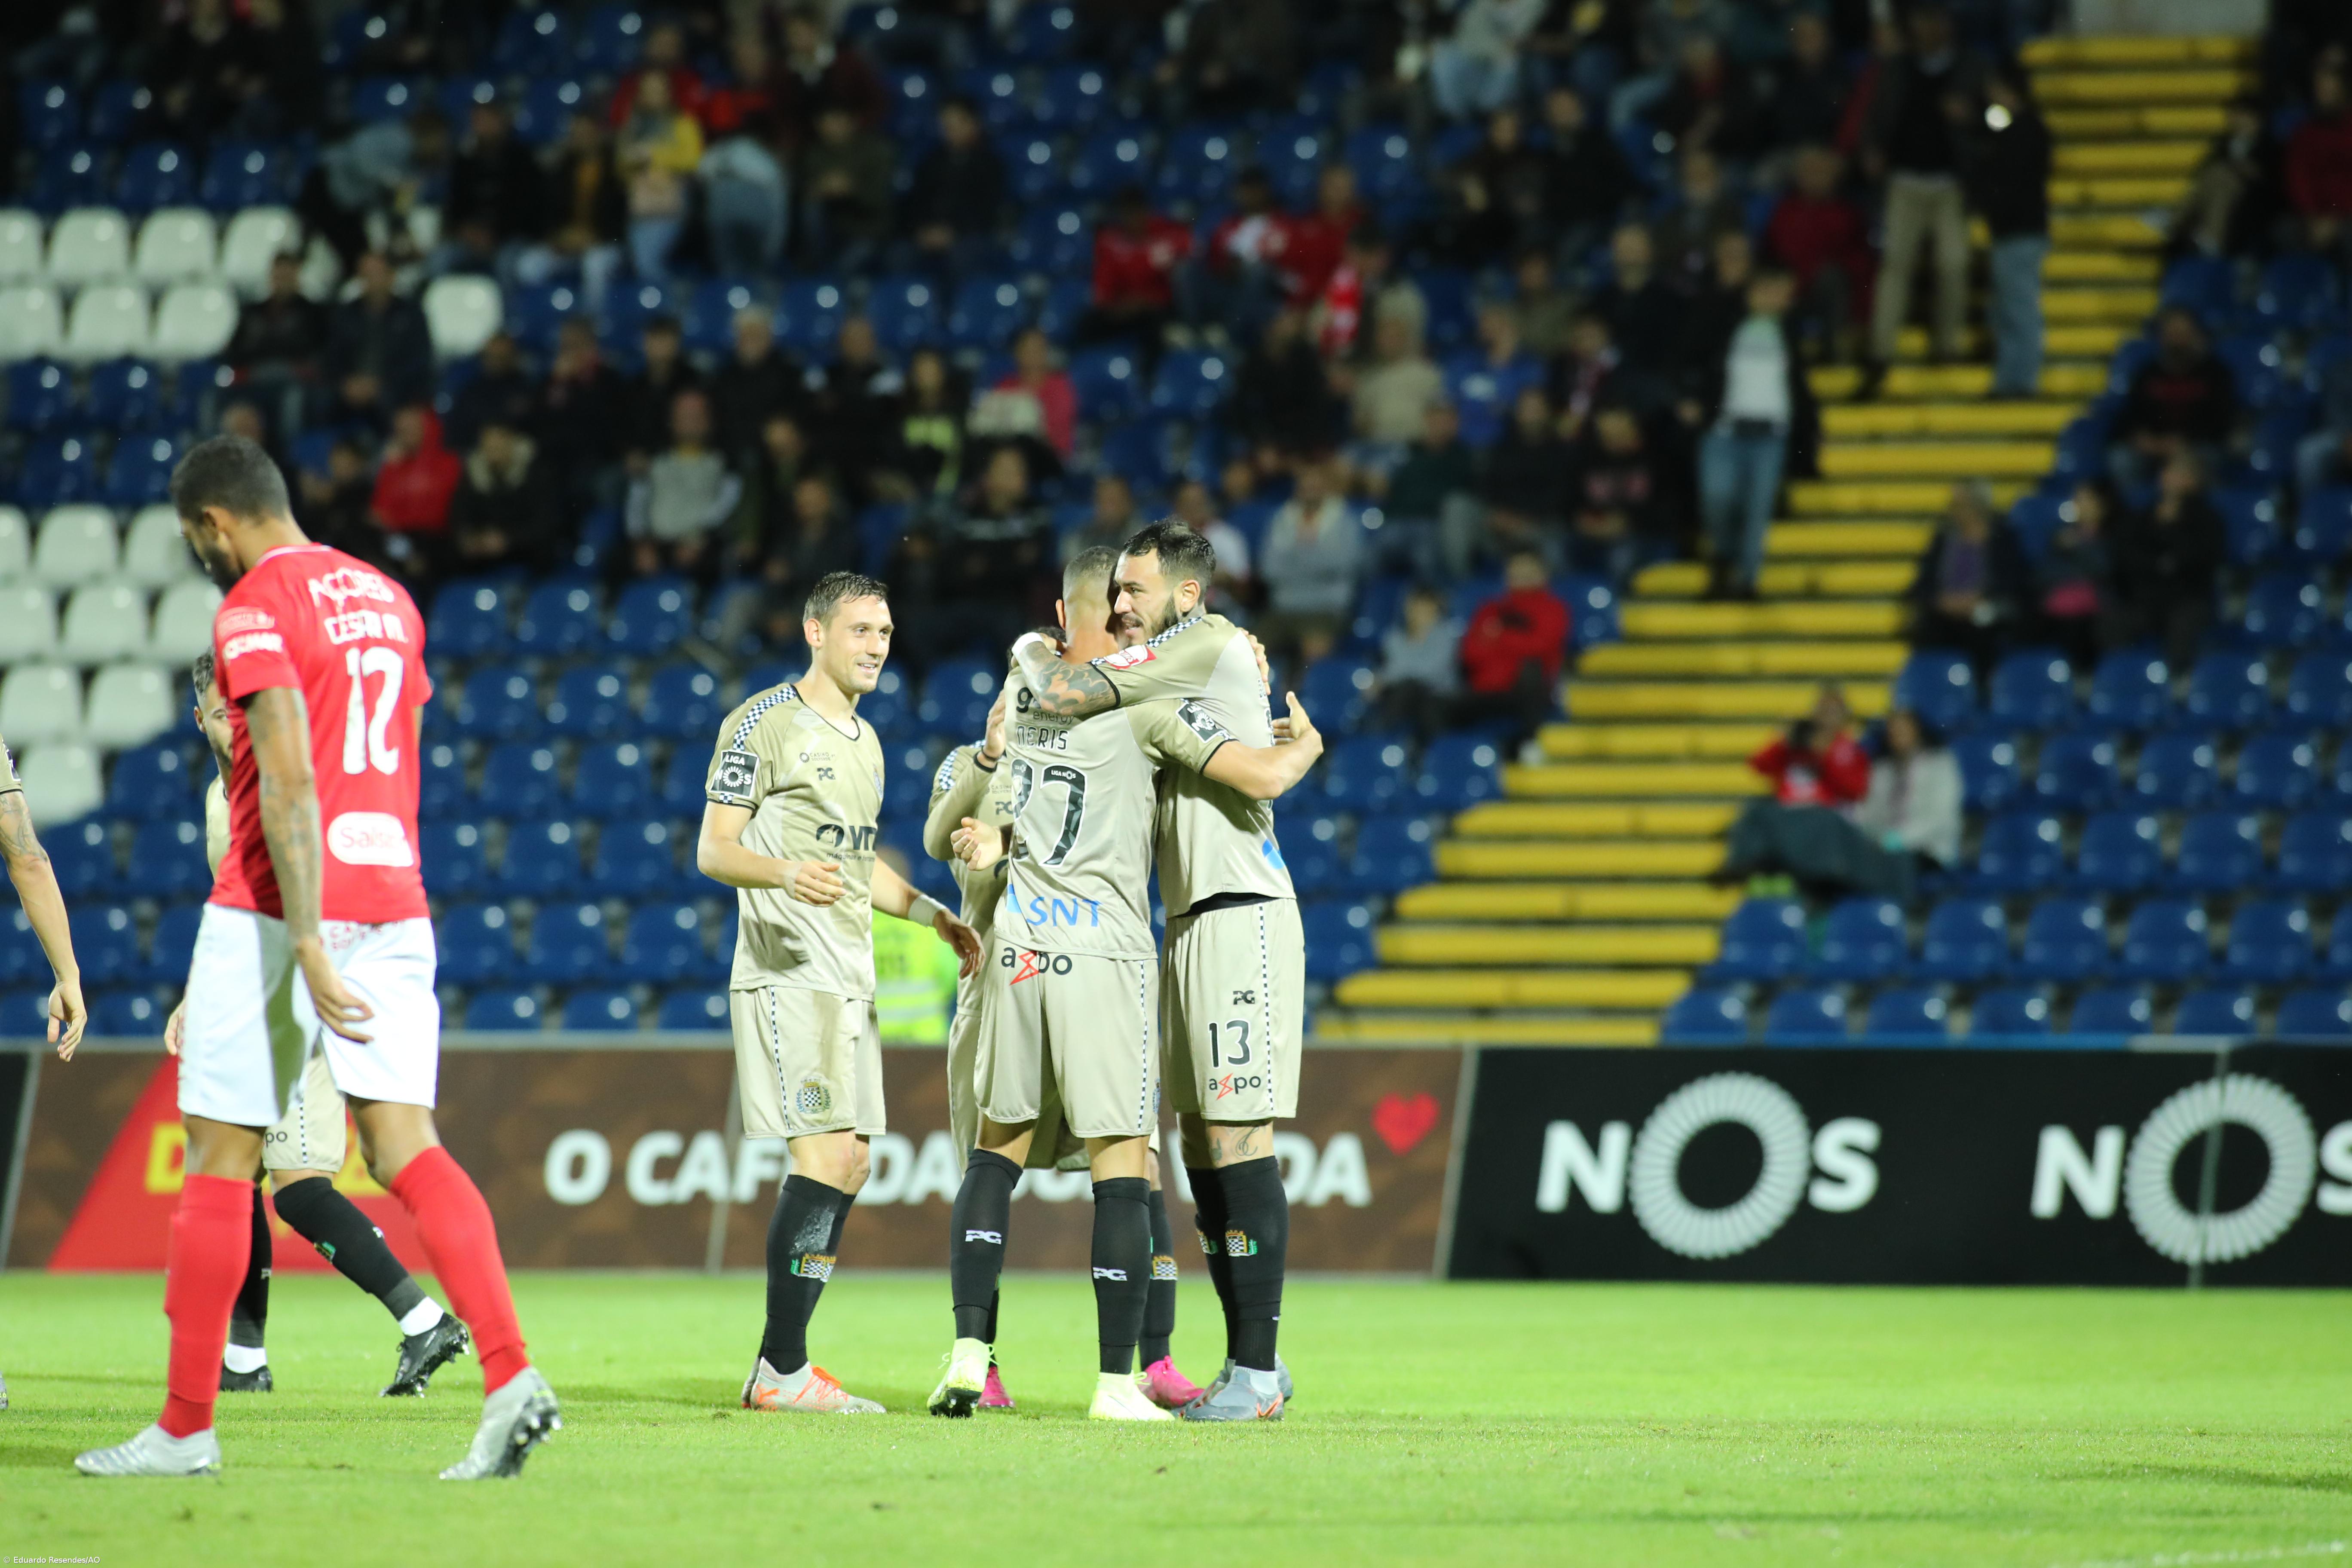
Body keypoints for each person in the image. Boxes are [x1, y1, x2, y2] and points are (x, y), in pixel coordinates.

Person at [78, 435, 557, 1480]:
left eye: (194, 539)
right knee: (405, 1148)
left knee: (220, 1161)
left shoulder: (254, 605)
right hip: (397, 894)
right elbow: (386, 759)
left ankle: (184, 1427)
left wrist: (302, 935)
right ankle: (511, 1373)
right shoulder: (389, 598)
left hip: (272, 906)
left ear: (213, 523)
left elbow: (291, 777)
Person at [932, 546, 1322, 1421]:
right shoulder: (1141, 697)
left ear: (1185, 596)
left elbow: (1255, 771)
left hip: (1228, 910)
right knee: (1176, 1149)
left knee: (1210, 1143)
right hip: (1160, 928)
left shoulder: (1192, 653)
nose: (1126, 607)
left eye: (1135, 592)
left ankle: (1236, 1366)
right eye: (1115, 598)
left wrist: (1304, 750)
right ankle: (1193, 1366)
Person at [697, 571, 980, 1415]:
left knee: (851, 1162)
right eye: (860, 631)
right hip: (788, 972)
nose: (875, 648)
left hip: (849, 982)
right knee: (824, 1158)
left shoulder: (866, 742)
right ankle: (780, 1372)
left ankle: (782, 1368)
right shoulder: (763, 725)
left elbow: (859, 876)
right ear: (815, 633)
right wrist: (785, 870)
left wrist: (932, 915)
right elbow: (715, 849)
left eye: (885, 634)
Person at [166, 654, 466, 1399]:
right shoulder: (228, 792)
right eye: (219, 709)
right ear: (198, 718)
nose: (232, 721)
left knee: (296, 1185)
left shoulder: (287, 783)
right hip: (266, 993)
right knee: (238, 1173)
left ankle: (423, 1317)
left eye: (243, 706)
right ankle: (243, 1360)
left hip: (301, 995)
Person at [1859, 3, 1986, 391]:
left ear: (1947, 25)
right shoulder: (1898, 66)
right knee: (1895, 267)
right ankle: (1881, 352)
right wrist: (1873, 148)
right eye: (1919, 22)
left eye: (1932, 21)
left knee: (1953, 264)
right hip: (1906, 182)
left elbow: (1998, 119)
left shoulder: (1972, 66)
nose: (1925, 30)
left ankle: (1948, 347)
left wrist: (1973, 117)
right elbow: (1876, 116)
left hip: (1950, 185)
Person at [1718, 704, 1955, 901]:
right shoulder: (1882, 770)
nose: (1897, 736)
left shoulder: (1940, 766)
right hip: (1882, 844)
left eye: (1904, 730)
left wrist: (1900, 840)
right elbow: (1870, 814)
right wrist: (1784, 741)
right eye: (1893, 731)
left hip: (1924, 849)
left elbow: (1940, 818)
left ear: (1918, 730)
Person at [1696, 270, 1810, 600]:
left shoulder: (1791, 334)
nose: (1769, 298)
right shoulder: (1725, 326)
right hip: (1725, 431)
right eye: (1763, 290)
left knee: (1757, 509)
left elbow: (1801, 392)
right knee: (1717, 499)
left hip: (1770, 438)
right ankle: (1723, 559)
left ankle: (1746, 579)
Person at [1962, 69, 2052, 398]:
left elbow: (2010, 181)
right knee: (2005, 310)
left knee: (2019, 309)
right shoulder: (2012, 130)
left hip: (2021, 232)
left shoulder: (2027, 130)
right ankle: (2010, 380)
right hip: (2010, 232)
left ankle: (2022, 381)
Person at [2111, 452, 2226, 669]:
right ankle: (2124, 676)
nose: (2172, 478)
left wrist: (2169, 562)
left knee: (2184, 625)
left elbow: (2203, 556)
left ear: (2195, 480)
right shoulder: (2142, 517)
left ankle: (2176, 683)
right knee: (2115, 621)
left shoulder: (2208, 519)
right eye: (2170, 472)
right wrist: (2159, 564)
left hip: (2188, 596)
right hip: (2146, 594)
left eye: (2182, 473)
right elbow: (2128, 554)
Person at [1905, 479, 2030, 677]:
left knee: (1984, 629)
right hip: (1946, 614)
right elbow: (1922, 584)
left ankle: (1983, 690)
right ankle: (1930, 687)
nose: (1955, 511)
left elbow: (2015, 582)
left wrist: (1978, 600)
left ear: (1978, 506)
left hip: (1987, 612)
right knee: (1928, 630)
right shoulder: (1944, 540)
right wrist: (1943, 601)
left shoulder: (2003, 539)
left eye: (1961, 505)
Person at [2107, 307, 2240, 491]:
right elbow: (2129, 416)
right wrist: (2145, 440)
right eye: (2172, 333)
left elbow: (2221, 422)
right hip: (2152, 448)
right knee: (2121, 459)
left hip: (2196, 447)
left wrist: (2185, 442)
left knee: (2208, 457)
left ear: (2195, 335)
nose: (2177, 340)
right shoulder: (2147, 374)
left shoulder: (2214, 374)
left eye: (2183, 333)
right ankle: (2133, 515)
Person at [1765, 145, 1872, 364]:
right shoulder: (1785, 211)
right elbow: (1769, 253)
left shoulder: (1846, 214)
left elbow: (1860, 263)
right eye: (1809, 171)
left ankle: (1834, 353)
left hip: (1827, 292)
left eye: (1821, 172)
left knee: (1832, 279)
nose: (1815, 178)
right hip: (1788, 291)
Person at [1457, 549, 1569, 747]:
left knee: (1531, 671)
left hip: (1529, 692)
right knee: (1436, 704)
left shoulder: (1554, 608)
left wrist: (1499, 638)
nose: (1522, 575)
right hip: (1485, 689)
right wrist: (1516, 643)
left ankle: (1530, 746)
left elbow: (1542, 648)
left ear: (1543, 573)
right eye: (1516, 569)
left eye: (1528, 569)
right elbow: (1470, 652)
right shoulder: (1489, 609)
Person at [1258, 457, 1363, 667]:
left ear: (1326, 487)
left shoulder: (1344, 520)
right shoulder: (1282, 518)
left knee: (1315, 650)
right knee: (1250, 648)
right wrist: (1318, 559)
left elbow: (1347, 563)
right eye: (1306, 485)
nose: (1311, 489)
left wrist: (1294, 558)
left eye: (1316, 485)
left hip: (1326, 609)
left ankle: (1305, 697)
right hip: (1283, 608)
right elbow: (1268, 569)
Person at [627, 389, 741, 580]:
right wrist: (641, 544)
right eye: (684, 416)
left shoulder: (724, 465)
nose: (691, 422)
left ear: (710, 420)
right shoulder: (653, 464)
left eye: (697, 416)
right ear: (672, 420)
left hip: (702, 545)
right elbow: (637, 504)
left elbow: (727, 505)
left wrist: (699, 538)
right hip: (656, 545)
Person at [1568, 405, 1679, 587]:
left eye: (1618, 428)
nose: (1613, 435)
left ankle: (1612, 612)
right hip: (1594, 534)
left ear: (1633, 426)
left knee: (1621, 557)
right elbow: (1570, 502)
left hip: (1644, 536)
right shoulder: (1586, 459)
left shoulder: (1657, 459)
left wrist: (1628, 523)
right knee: (1559, 549)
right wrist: (1583, 521)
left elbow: (1669, 511)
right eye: (1606, 430)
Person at [323, 252, 432, 429]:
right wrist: (346, 383)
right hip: (350, 389)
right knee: (319, 400)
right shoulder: (346, 314)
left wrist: (379, 385)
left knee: (392, 402)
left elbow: (418, 361)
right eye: (366, 276)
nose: (371, 281)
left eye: (377, 274)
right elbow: (332, 357)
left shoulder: (411, 314)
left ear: (392, 277)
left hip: (393, 388)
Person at [900, 95, 1005, 278]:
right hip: (929, 234)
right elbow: (915, 202)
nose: (951, 130)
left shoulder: (990, 165)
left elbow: (988, 210)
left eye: (957, 123)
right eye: (946, 125)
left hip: (969, 236)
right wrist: (922, 231)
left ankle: (961, 305)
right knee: (899, 254)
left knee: (964, 255)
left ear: (974, 123)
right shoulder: (930, 163)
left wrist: (954, 232)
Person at [2171, 95, 2285, 260]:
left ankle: (2191, 228)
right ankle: (2195, 230)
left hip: (2252, 209)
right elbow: (2204, 174)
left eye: (2243, 116)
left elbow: (2269, 180)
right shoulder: (2222, 145)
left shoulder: (2270, 147)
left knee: (2225, 178)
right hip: (2218, 201)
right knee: (2218, 176)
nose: (2238, 121)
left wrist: (2240, 170)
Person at [617, 69, 704, 282]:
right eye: (647, 91)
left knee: (648, 263)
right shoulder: (632, 127)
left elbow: (693, 161)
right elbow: (621, 166)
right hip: (640, 204)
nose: (653, 96)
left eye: (658, 91)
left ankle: (672, 309)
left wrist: (652, 156)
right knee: (641, 263)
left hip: (672, 203)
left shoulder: (684, 124)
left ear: (669, 94)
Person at [1083, 187, 1191, 356]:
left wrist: (1146, 302)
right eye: (1128, 214)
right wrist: (1119, 307)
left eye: (1137, 212)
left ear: (1146, 212)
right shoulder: (1110, 243)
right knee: (1088, 323)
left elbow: (1185, 266)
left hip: (1157, 310)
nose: (1133, 219)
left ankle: (1151, 377)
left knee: (1155, 327)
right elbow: (1103, 290)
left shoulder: (1167, 235)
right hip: (1122, 309)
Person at [448, 420, 559, 573]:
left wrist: (508, 540)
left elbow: (547, 523)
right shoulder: (473, 474)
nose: (493, 447)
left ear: (512, 441)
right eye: (488, 442)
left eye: (499, 440)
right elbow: (461, 516)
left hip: (529, 555)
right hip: (484, 556)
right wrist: (472, 539)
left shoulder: (536, 473)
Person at [368, 405, 461, 584]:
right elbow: (378, 512)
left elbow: (437, 515)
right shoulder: (395, 465)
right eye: (401, 430)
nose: (406, 435)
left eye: (411, 428)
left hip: (434, 543)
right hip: (399, 539)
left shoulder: (448, 464)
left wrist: (396, 519)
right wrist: (391, 468)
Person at [2034, 481, 2117, 671]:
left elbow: (2104, 570)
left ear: (2102, 504)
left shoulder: (2112, 536)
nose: (2078, 504)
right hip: (2058, 607)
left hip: (2096, 611)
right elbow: (2044, 574)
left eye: (2084, 499)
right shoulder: (2060, 537)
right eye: (2076, 499)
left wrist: (2079, 549)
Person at [1375, 584, 1461, 741]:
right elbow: (1392, 667)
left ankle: (1427, 751)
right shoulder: (1394, 638)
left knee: (1415, 695)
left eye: (1427, 607)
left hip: (1438, 695)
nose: (1421, 613)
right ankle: (1387, 743)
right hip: (1405, 694)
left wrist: (1389, 677)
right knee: (1401, 692)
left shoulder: (1447, 636)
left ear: (1437, 609)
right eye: (1417, 606)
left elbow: (1433, 671)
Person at [992, 328, 1075, 461]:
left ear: (1046, 352)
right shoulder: (1006, 386)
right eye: (1027, 349)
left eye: (1037, 349)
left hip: (1049, 455)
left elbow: (1056, 432)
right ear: (1017, 352)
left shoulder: (1059, 387)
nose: (1032, 355)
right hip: (1010, 455)